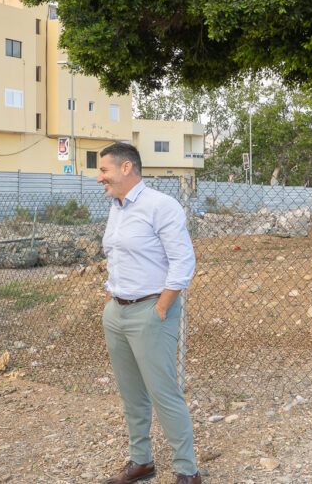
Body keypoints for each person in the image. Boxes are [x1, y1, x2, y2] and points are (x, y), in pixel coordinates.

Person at [96, 143, 201, 484]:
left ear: (126, 168)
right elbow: (117, 258)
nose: (99, 177)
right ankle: (141, 462)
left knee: (163, 393)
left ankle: (187, 471)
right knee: (131, 394)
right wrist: (111, 299)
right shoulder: (116, 208)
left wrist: (162, 306)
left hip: (151, 312)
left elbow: (183, 261)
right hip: (117, 313)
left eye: (104, 170)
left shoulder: (160, 205)